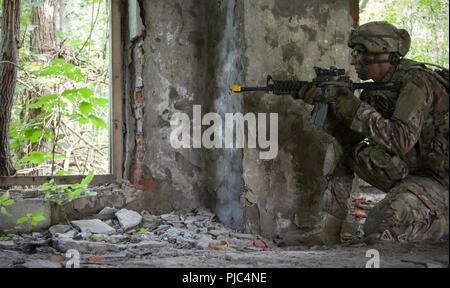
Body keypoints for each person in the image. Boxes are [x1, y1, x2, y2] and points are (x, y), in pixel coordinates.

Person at [285, 21, 449, 246]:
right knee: (345, 151)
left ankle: (443, 220)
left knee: (379, 230)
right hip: (411, 173)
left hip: (439, 181)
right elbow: (349, 141)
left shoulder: (417, 82)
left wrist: (354, 108)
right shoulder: (377, 90)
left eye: (359, 53)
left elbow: (401, 140)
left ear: (382, 53)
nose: (353, 60)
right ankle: (330, 230)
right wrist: (327, 110)